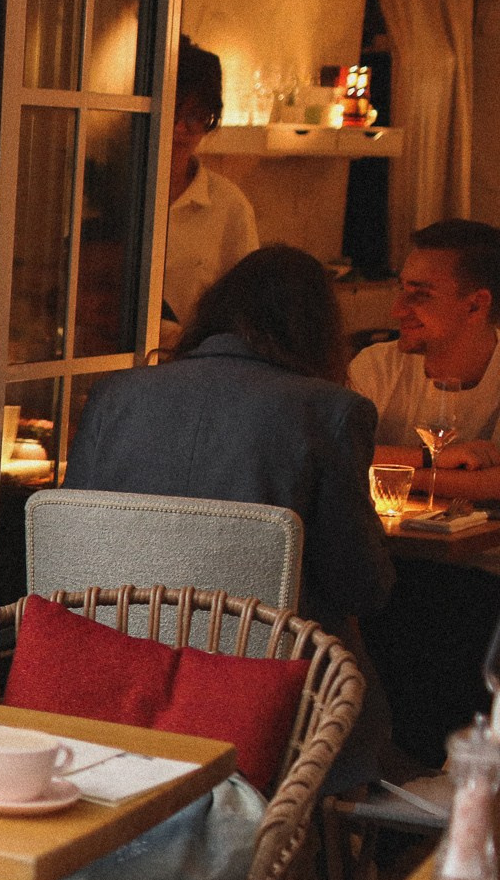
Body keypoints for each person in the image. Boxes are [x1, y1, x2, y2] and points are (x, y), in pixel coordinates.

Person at [67, 242, 393, 787]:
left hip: (116, 677)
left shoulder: (115, 394)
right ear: (317, 330)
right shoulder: (329, 412)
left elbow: (78, 549)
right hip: (266, 702)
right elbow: (360, 587)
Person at [349, 218, 500, 503]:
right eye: (402, 289)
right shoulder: (376, 365)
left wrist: (394, 474)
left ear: (475, 305)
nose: (397, 310)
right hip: (385, 544)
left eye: (420, 294)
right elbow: (333, 451)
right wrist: (431, 458)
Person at [161, 38, 261, 335]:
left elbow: (246, 304)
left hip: (189, 362)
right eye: (174, 112)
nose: (181, 128)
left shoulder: (229, 205)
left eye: (195, 116)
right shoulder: (114, 192)